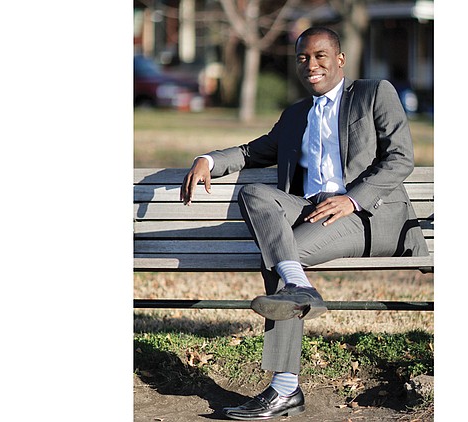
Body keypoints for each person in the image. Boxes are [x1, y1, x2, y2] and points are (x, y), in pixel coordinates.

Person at [180, 26, 429, 420]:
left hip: (368, 214)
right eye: (303, 58)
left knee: (281, 256)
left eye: (320, 56)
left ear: (340, 59)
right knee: (256, 196)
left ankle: (283, 387)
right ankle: (298, 287)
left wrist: (351, 199)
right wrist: (208, 161)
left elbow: (400, 158)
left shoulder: (373, 93)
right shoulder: (296, 115)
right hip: (311, 209)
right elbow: (252, 151)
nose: (311, 65)